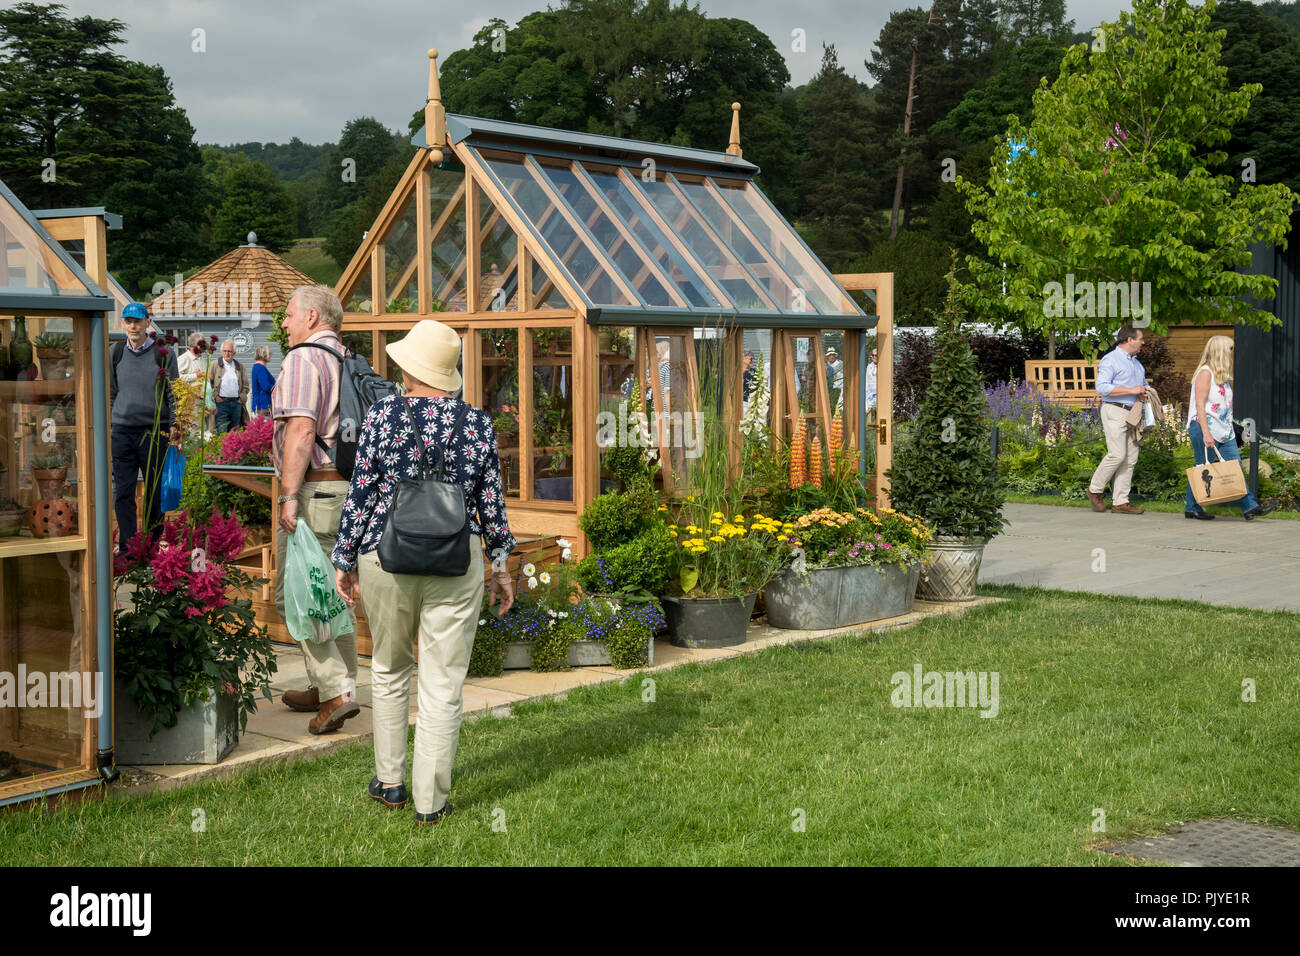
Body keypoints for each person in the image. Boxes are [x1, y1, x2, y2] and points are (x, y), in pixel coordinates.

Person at [331, 319, 515, 823]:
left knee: (389, 668)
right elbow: (491, 505)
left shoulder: (381, 415)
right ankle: (430, 802)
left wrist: (344, 559)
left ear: (410, 367)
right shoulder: (477, 424)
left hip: (384, 557)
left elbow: (362, 491)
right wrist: (500, 568)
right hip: (456, 562)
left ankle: (390, 783)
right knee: (442, 683)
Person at [272, 286, 359, 734]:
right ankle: (337, 685)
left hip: (315, 492)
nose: (283, 323)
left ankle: (333, 690)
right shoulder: (346, 358)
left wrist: (289, 495)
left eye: (288, 315)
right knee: (333, 590)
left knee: (306, 595)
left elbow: (301, 432)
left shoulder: (304, 359)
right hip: (346, 492)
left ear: (310, 316)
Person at [1184, 335, 1279, 521]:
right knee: (1203, 468)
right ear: (1220, 351)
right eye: (1229, 349)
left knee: (1233, 468)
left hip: (1224, 431)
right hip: (1205, 428)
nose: (1231, 352)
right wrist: (1206, 433)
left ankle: (1247, 507)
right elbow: (1200, 406)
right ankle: (1196, 507)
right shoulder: (1205, 373)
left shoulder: (1221, 376)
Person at [110, 303, 179, 553]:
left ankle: (149, 549)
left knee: (154, 491)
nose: (132, 326)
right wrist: (112, 421)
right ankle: (128, 550)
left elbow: (174, 393)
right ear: (122, 323)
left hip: (154, 432)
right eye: (128, 321)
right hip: (122, 433)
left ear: (148, 323)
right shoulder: (115, 352)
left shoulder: (163, 354)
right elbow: (111, 392)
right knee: (123, 493)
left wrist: (175, 425)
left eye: (137, 321)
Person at [1087, 324, 1148, 515]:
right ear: (1129, 340)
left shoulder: (1137, 364)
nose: (1143, 342)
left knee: (1130, 458)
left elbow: (1142, 385)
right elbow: (1102, 387)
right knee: (1117, 454)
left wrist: (1143, 392)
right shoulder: (1110, 360)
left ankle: (1121, 501)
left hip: (1133, 413)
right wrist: (1131, 390)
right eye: (1141, 339)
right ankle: (1095, 490)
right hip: (1114, 410)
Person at [208, 339, 250, 433]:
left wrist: (241, 399)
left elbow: (246, 386)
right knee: (221, 431)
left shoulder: (240, 366)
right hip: (221, 404)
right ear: (222, 352)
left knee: (234, 433)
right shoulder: (214, 365)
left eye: (229, 351)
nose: (227, 353)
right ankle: (220, 448)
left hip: (236, 404)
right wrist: (215, 396)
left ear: (234, 353)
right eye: (225, 351)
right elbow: (208, 383)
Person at [251, 345, 276, 417]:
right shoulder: (260, 368)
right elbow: (266, 386)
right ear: (264, 354)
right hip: (263, 406)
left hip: (261, 405)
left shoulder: (257, 367)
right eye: (269, 353)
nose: (270, 355)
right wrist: (278, 385)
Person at [865, 348, 878, 422]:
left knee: (879, 410)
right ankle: (868, 426)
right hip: (870, 391)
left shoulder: (882, 366)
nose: (874, 357)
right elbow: (867, 380)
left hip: (879, 391)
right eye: (873, 355)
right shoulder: (869, 366)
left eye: (876, 355)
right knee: (869, 410)